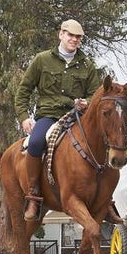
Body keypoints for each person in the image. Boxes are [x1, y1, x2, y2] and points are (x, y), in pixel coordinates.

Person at [14, 19, 100, 221]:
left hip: (76, 117)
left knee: (102, 143)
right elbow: (23, 90)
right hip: (49, 115)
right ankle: (33, 195)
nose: (74, 39)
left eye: (78, 37)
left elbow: (95, 94)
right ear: (61, 34)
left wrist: (86, 102)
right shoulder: (42, 60)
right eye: (70, 35)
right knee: (36, 142)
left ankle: (107, 200)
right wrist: (24, 117)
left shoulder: (87, 65)